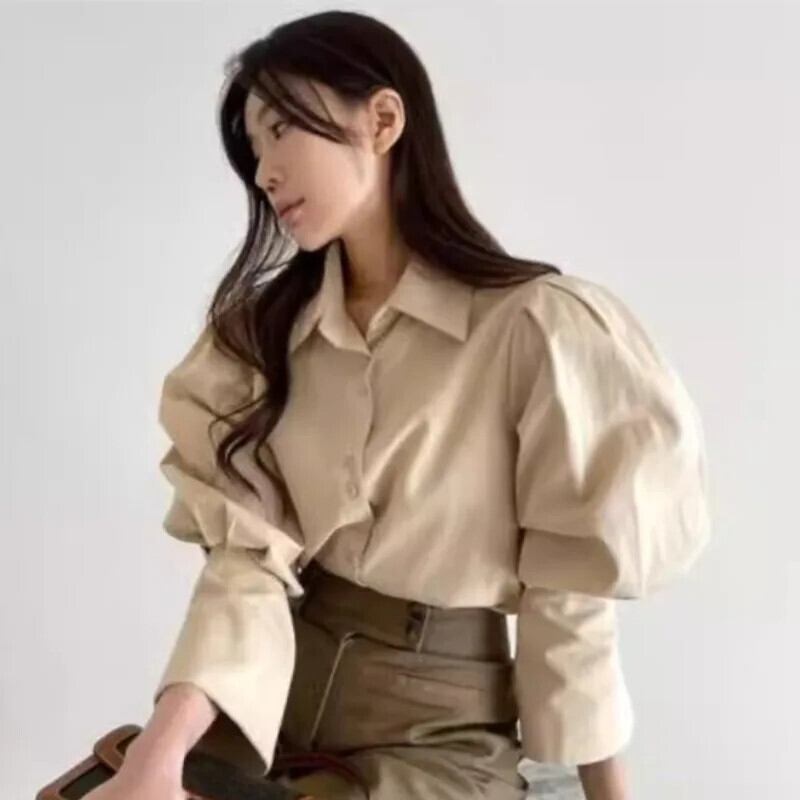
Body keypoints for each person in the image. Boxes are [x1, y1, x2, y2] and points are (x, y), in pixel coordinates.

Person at [85, 9, 711, 800]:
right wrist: (159, 755)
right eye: (254, 148)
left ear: (382, 120)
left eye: (282, 129)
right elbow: (245, 567)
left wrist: (606, 794)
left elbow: (566, 600)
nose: (265, 171)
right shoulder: (258, 340)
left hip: (439, 732)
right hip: (268, 707)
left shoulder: (535, 329)